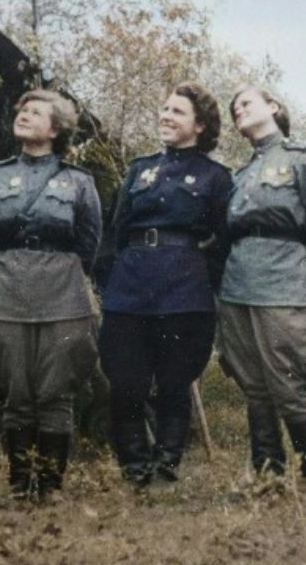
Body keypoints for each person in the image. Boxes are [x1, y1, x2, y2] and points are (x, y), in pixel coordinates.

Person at [99, 81, 232, 486]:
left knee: (175, 381)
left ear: (200, 126)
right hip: (129, 288)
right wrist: (111, 279)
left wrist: (199, 276)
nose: (166, 116)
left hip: (184, 290)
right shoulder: (139, 170)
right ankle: (134, 464)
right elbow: (114, 230)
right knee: (124, 381)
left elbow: (225, 239)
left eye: (177, 112)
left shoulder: (216, 177)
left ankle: (166, 463)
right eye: (165, 108)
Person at [0, 88, 102, 501]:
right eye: (22, 110)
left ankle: (49, 487)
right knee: (16, 391)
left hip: (63, 294)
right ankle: (18, 486)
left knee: (56, 390)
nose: (24, 115)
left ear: (56, 129)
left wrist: (58, 268)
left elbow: (89, 241)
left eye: (35, 112)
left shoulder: (79, 181)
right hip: (9, 292)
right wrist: (12, 268)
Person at [217, 85, 306, 488]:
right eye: (234, 108)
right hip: (238, 284)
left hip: (283, 282)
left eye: (247, 102)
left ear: (274, 108)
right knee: (253, 384)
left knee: (288, 382)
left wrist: (296, 268)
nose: (239, 110)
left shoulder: (303, 159)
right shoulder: (242, 173)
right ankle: (268, 473)